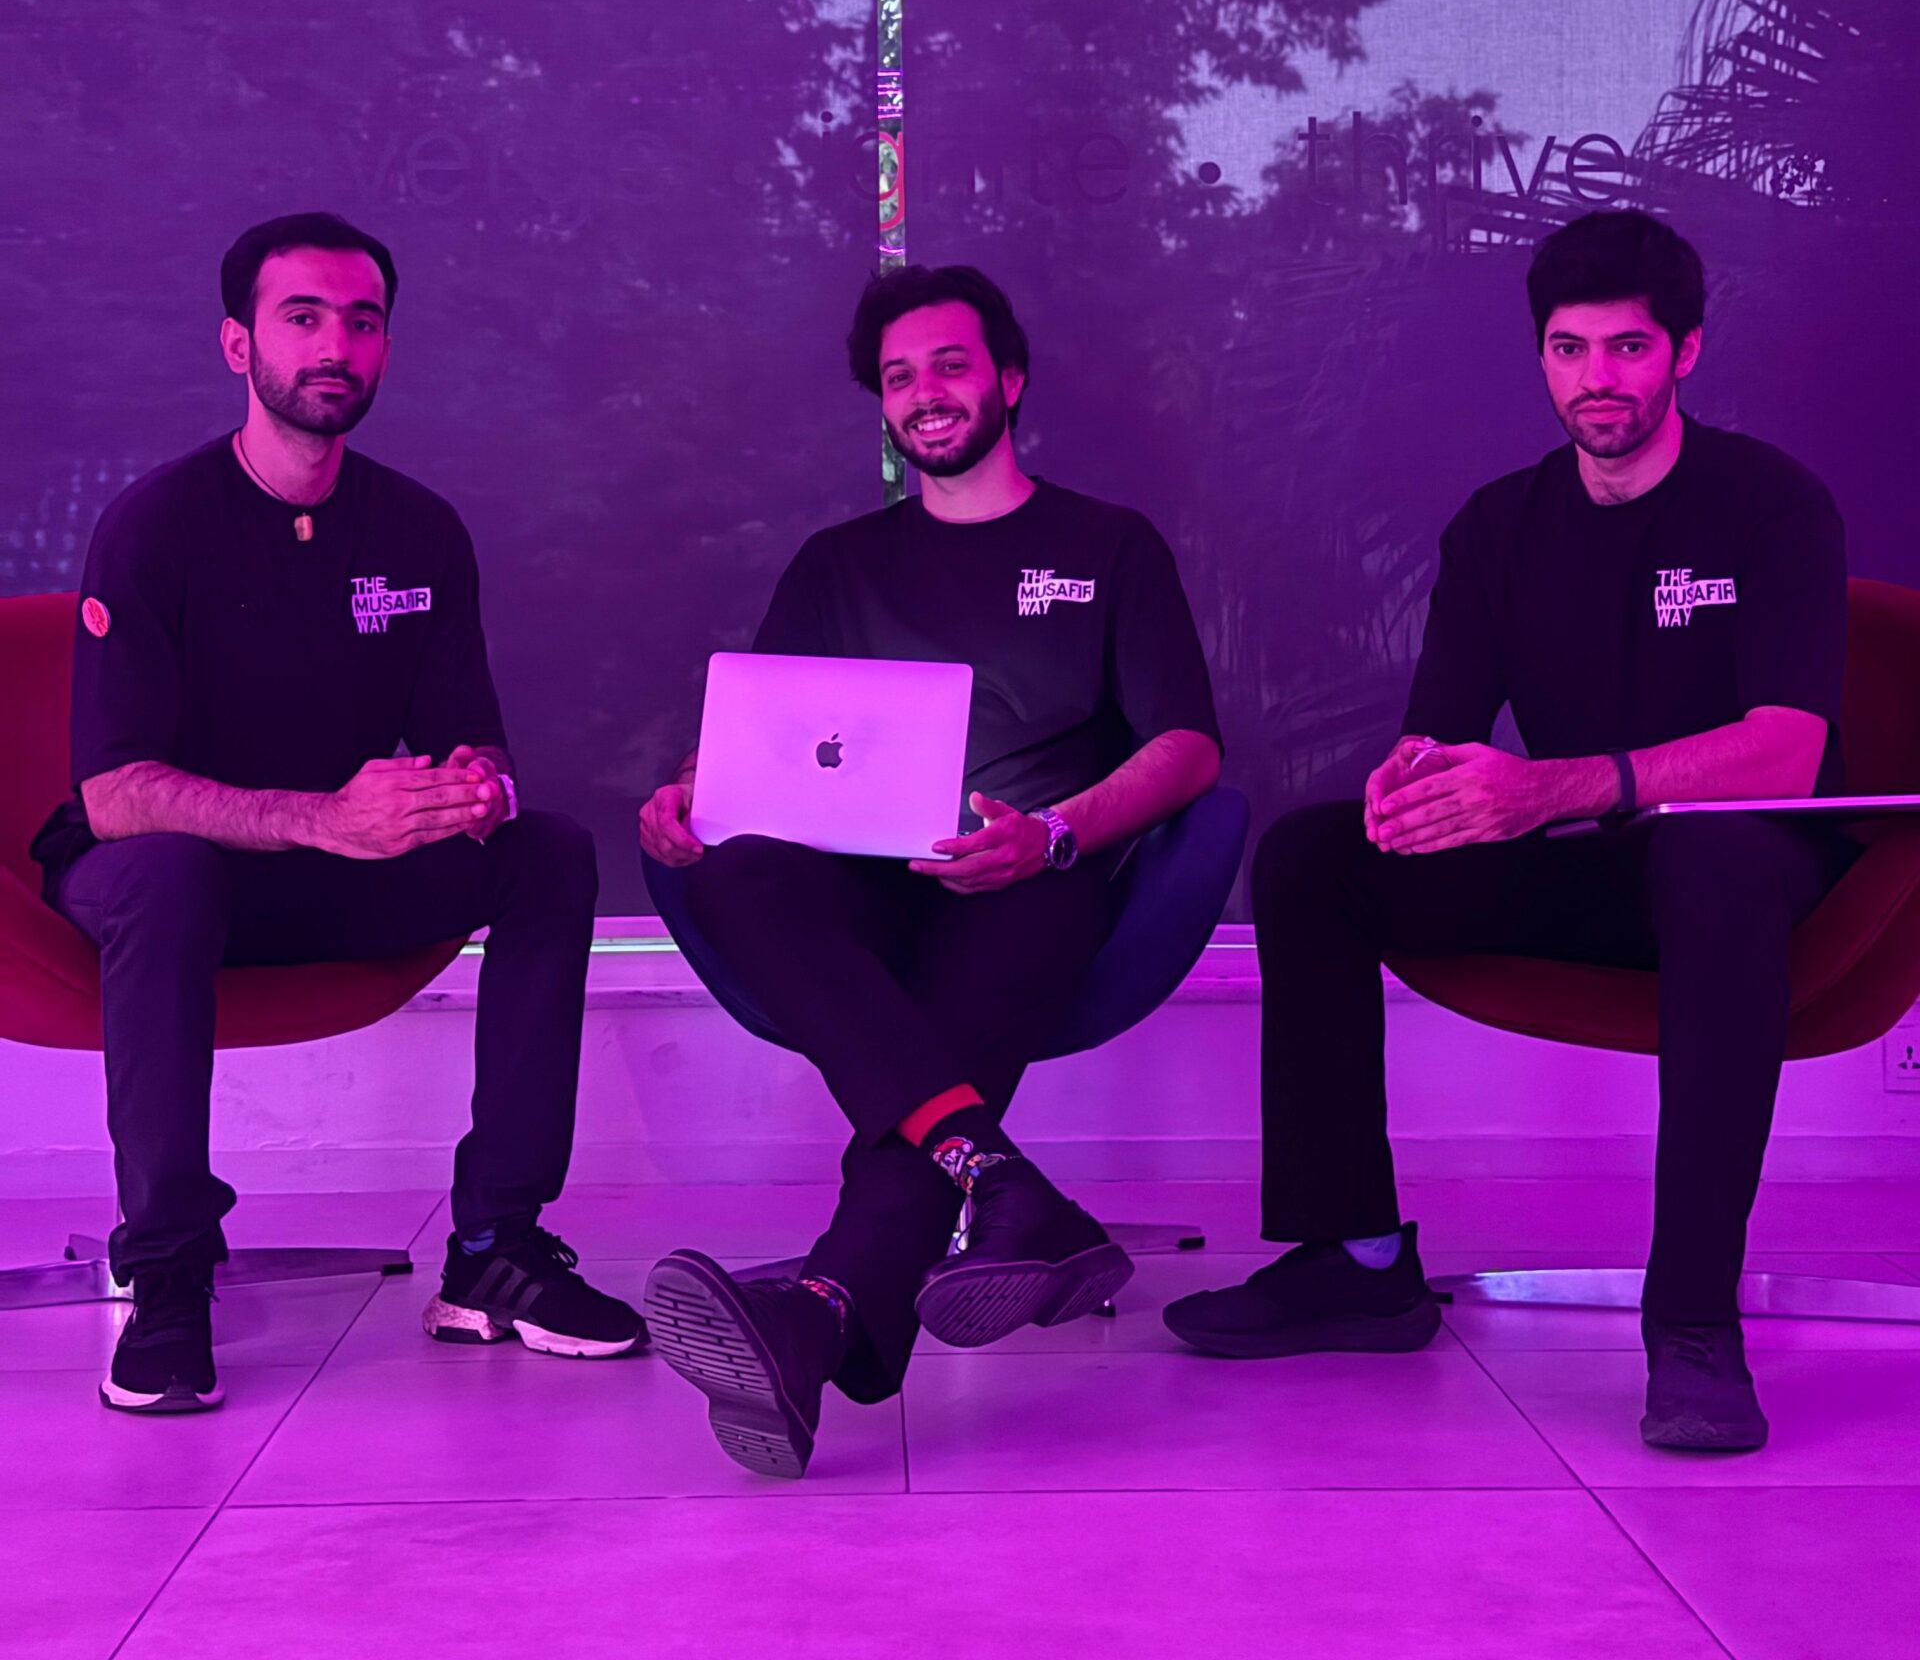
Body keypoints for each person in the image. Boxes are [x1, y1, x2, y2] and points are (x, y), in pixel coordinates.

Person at [1166, 208, 1854, 1455]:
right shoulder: (1500, 525)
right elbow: (1440, 733)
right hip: (1593, 864)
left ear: (1685, 352)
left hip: (1759, 861)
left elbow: (1786, 754)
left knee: (1709, 857)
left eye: (1631, 348)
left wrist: (1548, 789)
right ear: (1541, 358)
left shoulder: (1770, 505)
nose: (1602, 378)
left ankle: (1694, 1320)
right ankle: (1356, 1258)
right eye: (1572, 348)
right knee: (1314, 861)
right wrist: (1408, 790)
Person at [34, 212, 645, 1415]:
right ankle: (164, 1275)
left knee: (549, 853)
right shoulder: (156, 526)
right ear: (236, 345)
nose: (335, 345)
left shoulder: (419, 528)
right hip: (160, 873)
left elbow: (479, 744)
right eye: (302, 317)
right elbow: (114, 794)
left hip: (343, 865)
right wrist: (325, 816)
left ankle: (494, 1255)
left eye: (361, 321)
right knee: (169, 874)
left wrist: (473, 791)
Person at [638, 263, 1222, 1477]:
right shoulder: (837, 562)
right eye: (899, 377)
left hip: (1030, 874)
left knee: (1023, 903)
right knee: (740, 873)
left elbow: (1189, 746)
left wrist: (1055, 830)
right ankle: (993, 1179)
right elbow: (764, 735)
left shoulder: (1109, 545)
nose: (925, 392)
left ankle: (827, 1309)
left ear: (1008, 379)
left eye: (949, 364)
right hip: (857, 880)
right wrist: (694, 789)